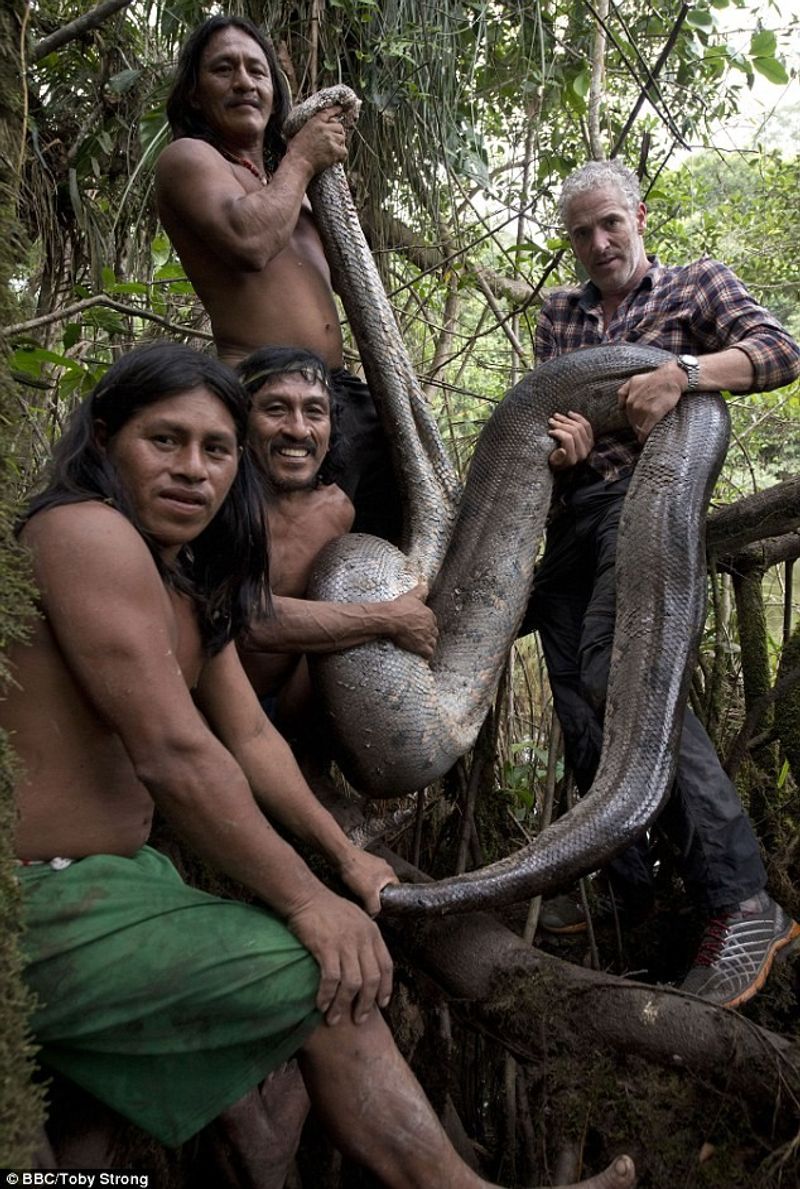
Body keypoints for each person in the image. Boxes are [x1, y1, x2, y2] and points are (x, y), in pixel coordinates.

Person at [7, 341, 635, 1189]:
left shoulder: (183, 578)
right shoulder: (85, 532)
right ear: (104, 437)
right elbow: (175, 752)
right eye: (165, 440)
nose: (193, 469)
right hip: (35, 894)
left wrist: (345, 858)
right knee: (325, 974)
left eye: (215, 448)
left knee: (85, 1116)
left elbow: (250, 739)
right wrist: (308, 901)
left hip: (120, 880)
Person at [526, 159, 800, 1008]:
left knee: (625, 676)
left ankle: (741, 897)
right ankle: (625, 885)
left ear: (639, 216)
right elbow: (544, 418)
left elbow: (780, 351)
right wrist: (563, 447)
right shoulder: (559, 315)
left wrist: (683, 372)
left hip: (647, 503)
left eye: (611, 222)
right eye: (582, 231)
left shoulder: (694, 286)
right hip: (574, 518)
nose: (600, 242)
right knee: (576, 698)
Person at [154, 14, 399, 542]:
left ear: (274, 91)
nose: (244, 82)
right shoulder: (189, 159)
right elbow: (249, 240)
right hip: (265, 393)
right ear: (194, 93)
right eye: (224, 69)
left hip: (337, 394)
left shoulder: (289, 188)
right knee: (291, 556)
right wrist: (303, 157)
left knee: (385, 545)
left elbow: (350, 282)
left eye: (257, 71)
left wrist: (321, 183)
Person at [235, 345, 436, 743]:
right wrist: (389, 618)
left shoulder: (338, 509)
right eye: (276, 409)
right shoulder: (223, 501)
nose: (298, 429)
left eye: (314, 411)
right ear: (242, 420)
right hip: (211, 707)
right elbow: (247, 620)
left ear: (331, 426)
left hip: (292, 713)